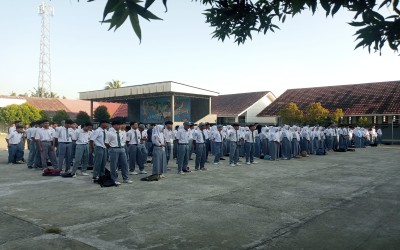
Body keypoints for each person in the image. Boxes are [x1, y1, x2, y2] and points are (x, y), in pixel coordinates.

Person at [105, 120, 132, 185]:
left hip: (122, 149)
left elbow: (124, 141)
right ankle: (114, 179)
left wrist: (121, 146)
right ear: (113, 125)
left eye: (120, 124)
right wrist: (111, 148)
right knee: (114, 165)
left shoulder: (122, 132)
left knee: (124, 164)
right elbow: (106, 143)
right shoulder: (109, 133)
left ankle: (125, 178)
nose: (119, 126)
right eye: (118, 124)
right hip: (114, 149)